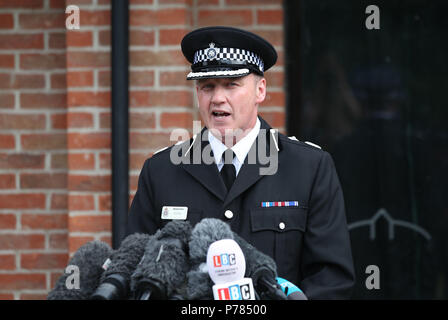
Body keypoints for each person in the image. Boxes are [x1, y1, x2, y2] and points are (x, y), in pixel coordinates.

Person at [126, 26, 355, 299]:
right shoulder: (161, 171)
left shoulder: (309, 168)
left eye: (231, 84)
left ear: (260, 90)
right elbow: (134, 271)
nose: (217, 98)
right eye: (207, 87)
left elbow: (330, 282)